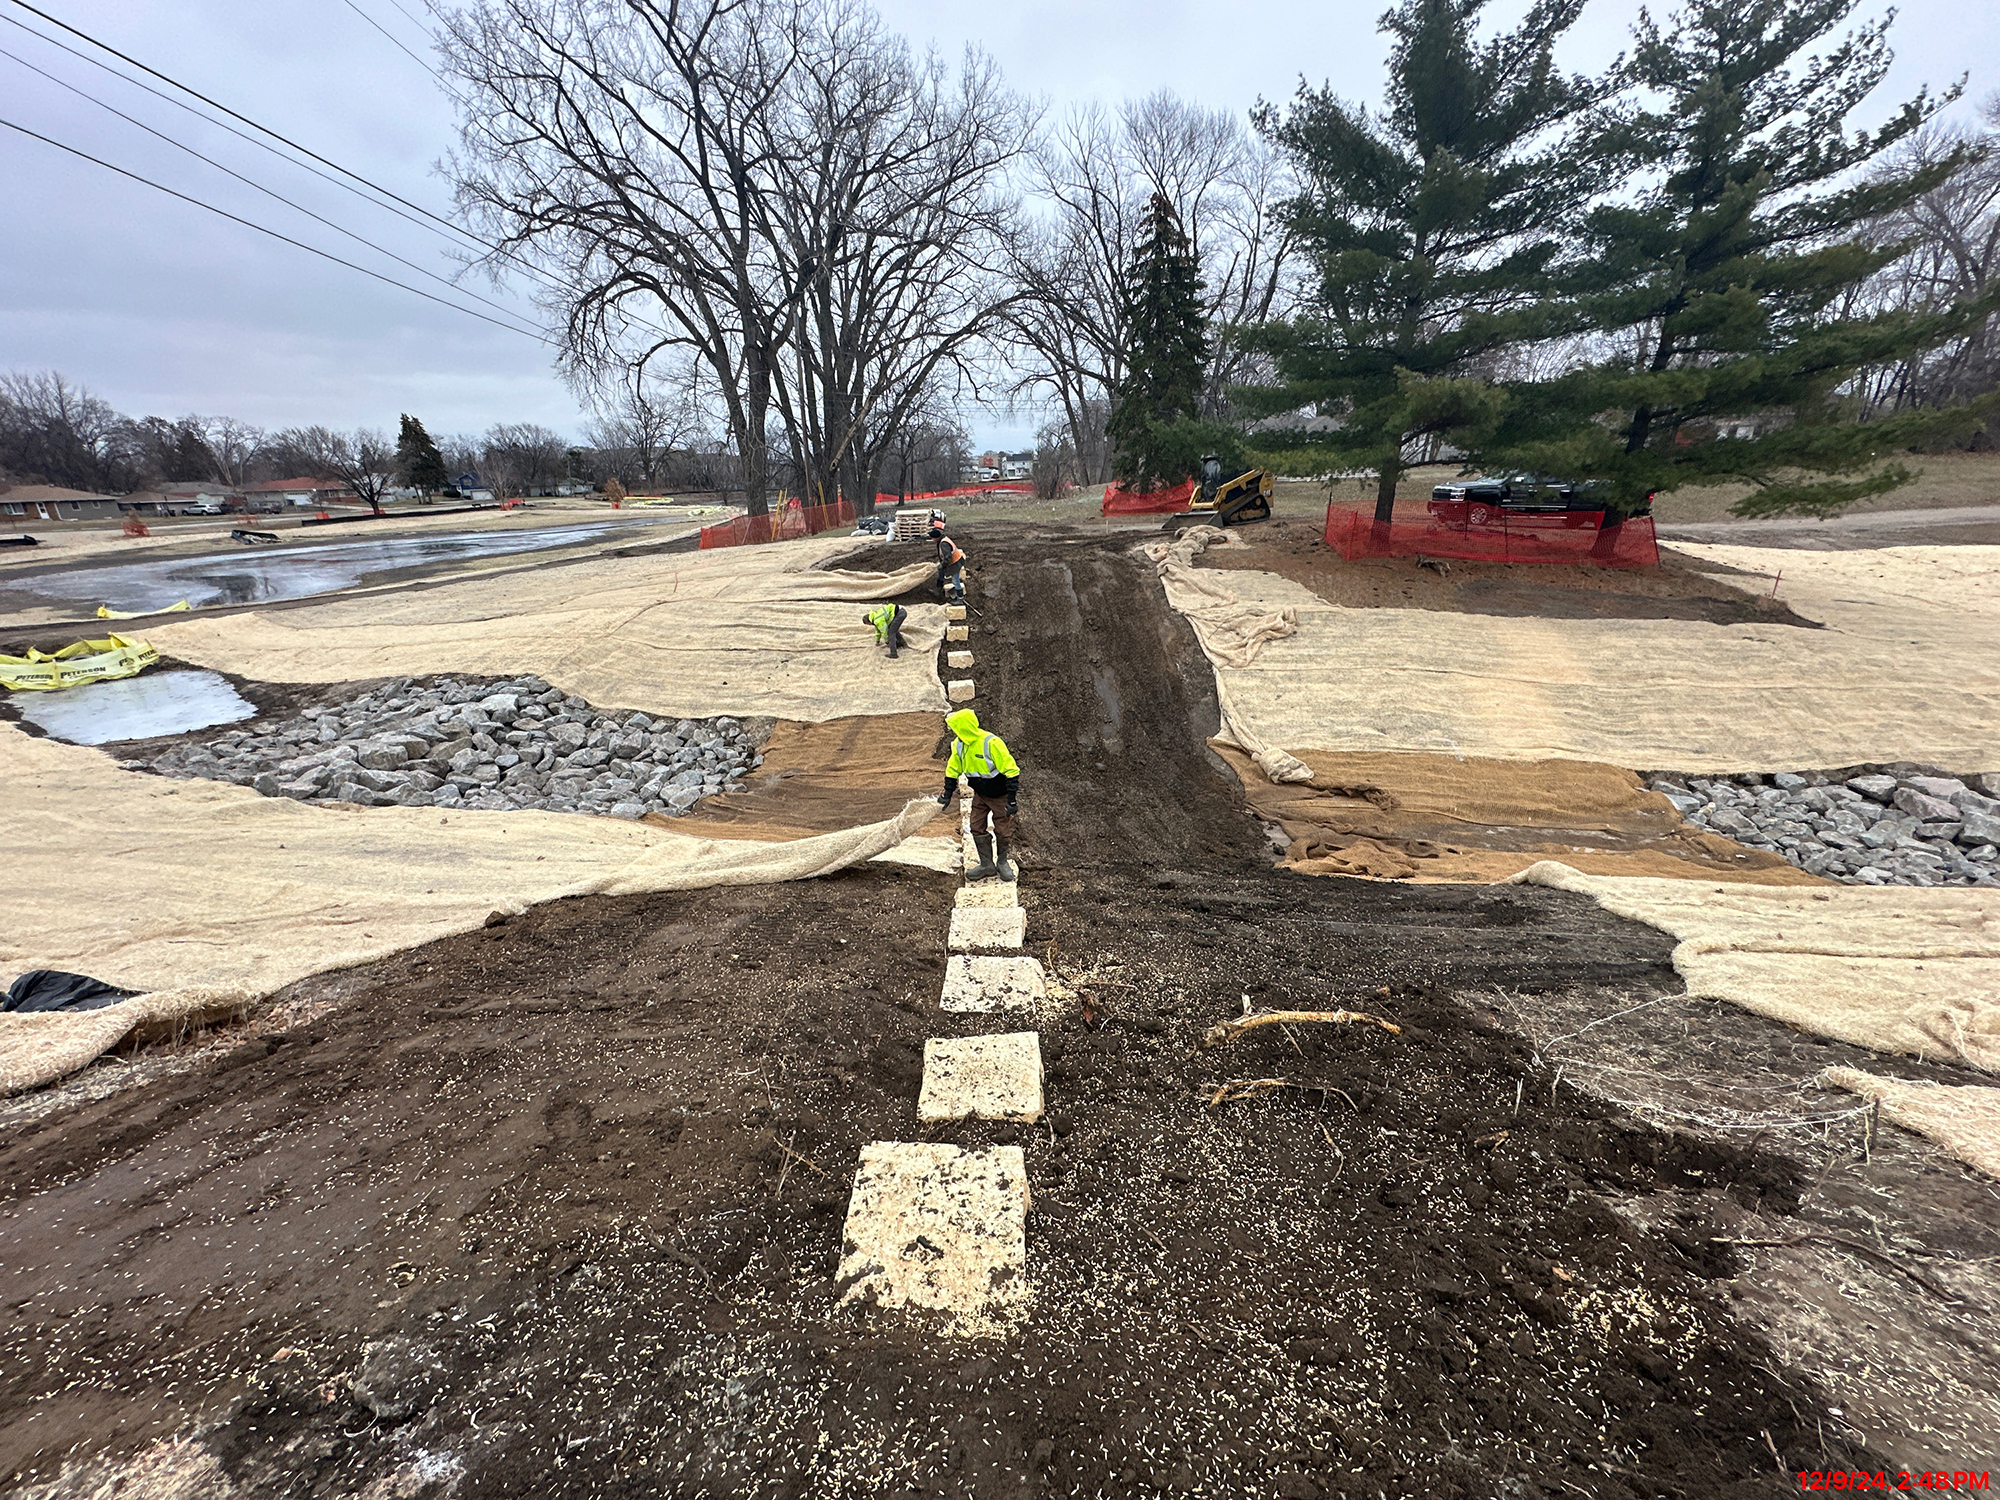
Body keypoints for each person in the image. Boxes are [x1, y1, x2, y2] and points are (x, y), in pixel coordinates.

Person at [935, 707, 1019, 881]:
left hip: (999, 795)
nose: (954, 732)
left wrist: (1011, 800)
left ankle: (1002, 862)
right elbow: (952, 770)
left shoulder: (991, 743)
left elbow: (1011, 770)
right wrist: (947, 794)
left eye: (956, 728)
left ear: (964, 727)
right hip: (980, 795)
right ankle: (987, 865)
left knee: (1002, 829)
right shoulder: (959, 745)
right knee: (976, 826)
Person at [935, 532, 966, 601]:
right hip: (956, 560)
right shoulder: (943, 539)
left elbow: (948, 558)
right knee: (941, 573)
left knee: (955, 580)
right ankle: (938, 590)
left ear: (936, 538)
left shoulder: (944, 544)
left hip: (956, 563)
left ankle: (960, 598)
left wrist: (942, 565)